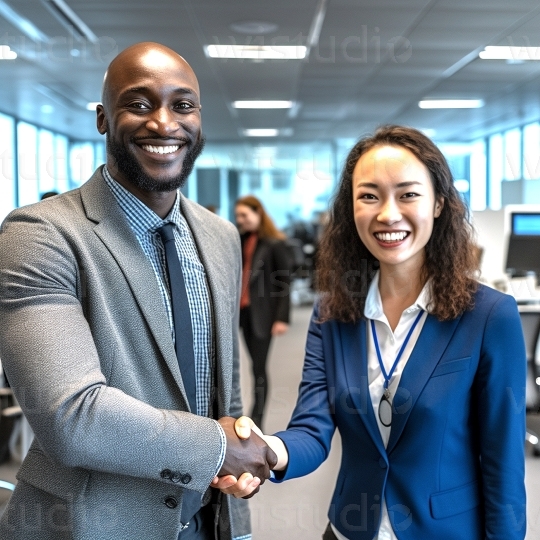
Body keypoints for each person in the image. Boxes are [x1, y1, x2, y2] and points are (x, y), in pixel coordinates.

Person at [0, 42, 276, 540]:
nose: (164, 123)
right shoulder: (38, 235)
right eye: (140, 104)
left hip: (206, 517)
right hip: (92, 524)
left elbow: (225, 389)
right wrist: (217, 446)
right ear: (104, 119)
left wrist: (238, 500)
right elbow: (69, 415)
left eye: (182, 105)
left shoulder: (219, 236)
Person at [217, 125, 527, 539]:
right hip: (350, 527)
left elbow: (503, 460)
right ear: (351, 209)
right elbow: (312, 426)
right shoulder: (334, 311)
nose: (388, 213)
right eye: (369, 195)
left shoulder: (489, 315)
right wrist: (265, 452)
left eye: (408, 194)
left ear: (438, 203)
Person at [235, 196, 291, 429]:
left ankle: (257, 418)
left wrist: (281, 318)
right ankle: (244, 414)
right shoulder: (240, 239)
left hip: (263, 314)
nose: (240, 220)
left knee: (258, 367)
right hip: (241, 312)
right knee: (246, 365)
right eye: (238, 216)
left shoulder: (274, 244)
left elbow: (284, 283)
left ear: (259, 213)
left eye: (244, 215)